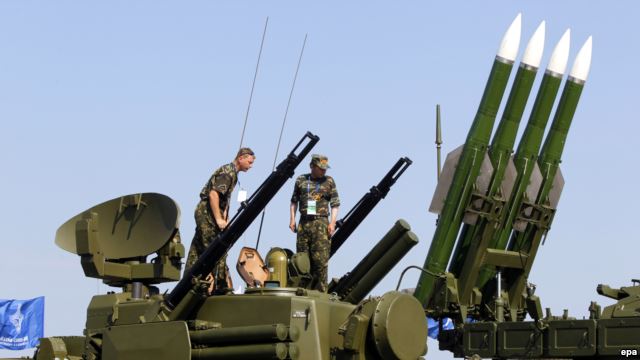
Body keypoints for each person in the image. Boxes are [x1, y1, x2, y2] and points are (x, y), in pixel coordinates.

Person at [186, 147, 255, 294]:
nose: (251, 165)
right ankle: (217, 288)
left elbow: (225, 198)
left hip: (208, 212)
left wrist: (225, 217)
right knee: (215, 251)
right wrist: (218, 219)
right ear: (241, 158)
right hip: (207, 213)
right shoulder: (227, 173)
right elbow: (213, 195)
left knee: (198, 249)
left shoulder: (233, 174)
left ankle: (188, 281)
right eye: (249, 162)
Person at [289, 154, 340, 292]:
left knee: (320, 262)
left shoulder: (329, 181)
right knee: (302, 260)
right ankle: (302, 290)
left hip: (321, 222)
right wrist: (292, 219)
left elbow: (335, 204)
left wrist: (332, 223)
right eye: (320, 168)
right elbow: (294, 201)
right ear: (312, 166)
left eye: (325, 168)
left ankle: (321, 292)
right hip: (304, 222)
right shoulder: (301, 180)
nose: (323, 171)